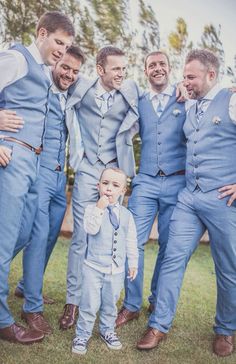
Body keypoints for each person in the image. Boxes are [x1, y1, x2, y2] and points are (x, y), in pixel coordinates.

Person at [136, 49, 236, 358]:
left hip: (223, 200)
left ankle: (225, 329)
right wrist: (183, 89)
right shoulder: (189, 102)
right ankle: (158, 325)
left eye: (191, 77)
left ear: (211, 75)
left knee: (228, 268)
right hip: (189, 197)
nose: (185, 81)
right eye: (184, 76)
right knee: (172, 259)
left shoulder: (231, 100)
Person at [0, 11, 74, 345]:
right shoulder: (16, 58)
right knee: (3, 241)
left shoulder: (44, 73)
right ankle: (3, 320)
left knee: (28, 231)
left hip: (34, 161)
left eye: (67, 45)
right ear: (42, 33)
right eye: (59, 42)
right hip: (12, 155)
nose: (62, 50)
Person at [59, 46, 139, 330]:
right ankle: (73, 302)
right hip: (86, 170)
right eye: (116, 68)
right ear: (101, 68)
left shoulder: (130, 91)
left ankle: (107, 300)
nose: (121, 73)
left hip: (114, 173)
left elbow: (156, 101)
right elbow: (55, 82)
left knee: (111, 233)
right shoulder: (80, 85)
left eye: (124, 69)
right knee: (81, 237)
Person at [8, 46, 84, 335]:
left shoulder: (72, 95)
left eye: (75, 71)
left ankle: (25, 286)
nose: (69, 74)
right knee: (34, 236)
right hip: (37, 174)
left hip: (60, 178)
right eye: (65, 67)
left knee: (50, 236)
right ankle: (33, 308)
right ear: (54, 62)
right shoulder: (37, 86)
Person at [116, 51, 188, 328]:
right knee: (131, 242)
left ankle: (156, 298)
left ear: (170, 69)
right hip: (145, 180)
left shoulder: (186, 99)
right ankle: (131, 305)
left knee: (168, 246)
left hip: (177, 182)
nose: (157, 69)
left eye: (162, 64)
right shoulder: (138, 101)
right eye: (151, 65)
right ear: (145, 71)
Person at [72, 167, 138, 355]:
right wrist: (99, 209)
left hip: (115, 271)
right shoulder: (91, 209)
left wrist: (133, 263)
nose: (109, 188)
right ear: (98, 186)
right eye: (105, 183)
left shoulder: (126, 215)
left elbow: (131, 241)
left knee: (110, 304)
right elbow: (91, 229)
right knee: (89, 304)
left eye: (115, 185)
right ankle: (82, 334)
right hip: (93, 268)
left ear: (123, 191)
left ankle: (107, 330)